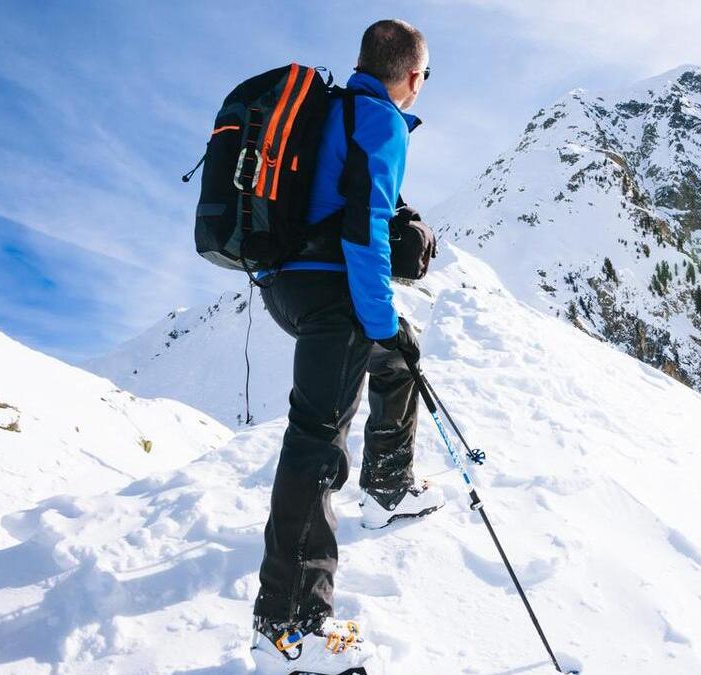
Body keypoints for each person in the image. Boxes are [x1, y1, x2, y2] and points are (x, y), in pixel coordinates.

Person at [249, 19, 441, 675]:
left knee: (399, 354)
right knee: (317, 443)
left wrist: (389, 332)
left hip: (287, 285)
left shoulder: (332, 109)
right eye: (424, 77)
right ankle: (289, 632)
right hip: (331, 296)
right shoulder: (380, 121)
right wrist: (379, 316)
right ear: (411, 76)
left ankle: (389, 485)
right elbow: (364, 233)